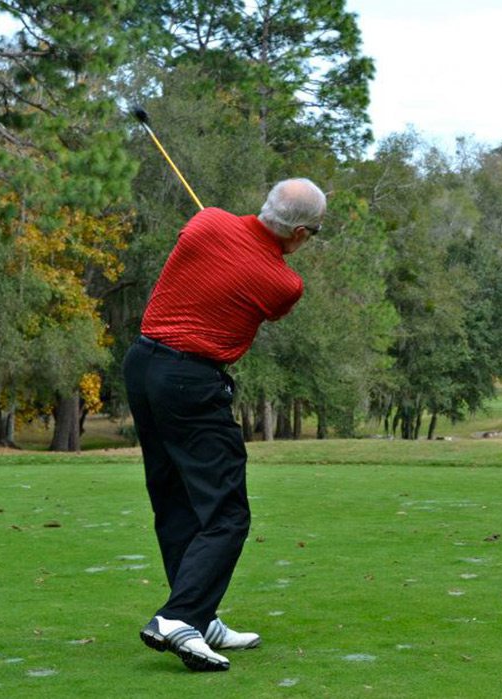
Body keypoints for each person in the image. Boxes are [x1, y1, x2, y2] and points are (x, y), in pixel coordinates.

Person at [122, 178, 325, 672]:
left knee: (175, 500)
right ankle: (178, 618)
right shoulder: (285, 284)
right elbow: (269, 296)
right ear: (298, 233)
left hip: (142, 367)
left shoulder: (206, 219)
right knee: (227, 513)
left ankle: (200, 615)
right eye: (313, 233)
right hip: (191, 381)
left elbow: (223, 247)